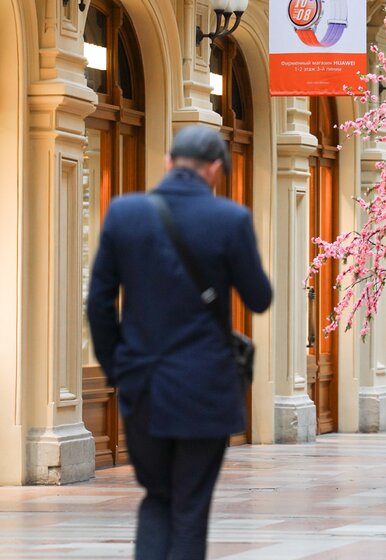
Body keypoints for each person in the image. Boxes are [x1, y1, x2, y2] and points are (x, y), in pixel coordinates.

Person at [86, 125, 273, 559]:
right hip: (205, 390)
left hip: (143, 387)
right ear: (214, 170)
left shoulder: (124, 213)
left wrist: (118, 368)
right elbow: (259, 298)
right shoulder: (230, 219)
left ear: (169, 163)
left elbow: (98, 302)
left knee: (157, 497)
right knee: (190, 506)